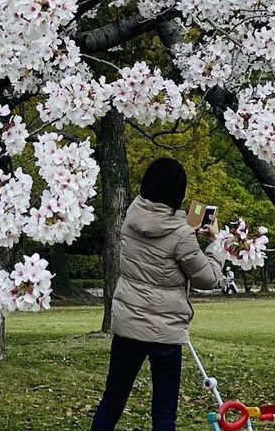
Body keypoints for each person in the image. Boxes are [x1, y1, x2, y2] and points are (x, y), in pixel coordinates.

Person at [91, 157, 223, 431]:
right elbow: (208, 278)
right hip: (165, 332)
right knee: (164, 414)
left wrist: (187, 236)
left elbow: (158, 249)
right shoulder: (181, 235)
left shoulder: (131, 218)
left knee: (112, 403)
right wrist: (215, 246)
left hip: (128, 325)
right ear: (178, 193)